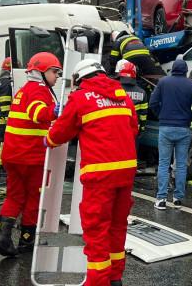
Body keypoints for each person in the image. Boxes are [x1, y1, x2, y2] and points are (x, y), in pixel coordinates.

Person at [46, 59, 138, 286]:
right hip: (126, 171)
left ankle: (98, 282)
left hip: (100, 174)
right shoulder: (123, 97)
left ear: (79, 79)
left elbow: (60, 132)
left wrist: (47, 139)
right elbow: (133, 128)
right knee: (117, 227)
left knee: (97, 231)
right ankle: (115, 278)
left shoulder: (80, 98)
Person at [0, 52, 61, 257]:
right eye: (54, 72)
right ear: (41, 72)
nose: (57, 77)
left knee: (14, 195)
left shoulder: (24, 90)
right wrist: (58, 111)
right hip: (30, 155)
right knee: (33, 197)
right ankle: (26, 241)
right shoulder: (39, 90)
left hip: (14, 154)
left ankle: (2, 237)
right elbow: (38, 114)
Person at [149, 58, 192, 210]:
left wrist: (161, 115)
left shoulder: (164, 82)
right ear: (185, 71)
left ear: (172, 69)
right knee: (181, 164)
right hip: (184, 129)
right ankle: (178, 198)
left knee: (164, 164)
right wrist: (188, 117)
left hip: (166, 128)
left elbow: (153, 103)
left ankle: (161, 199)